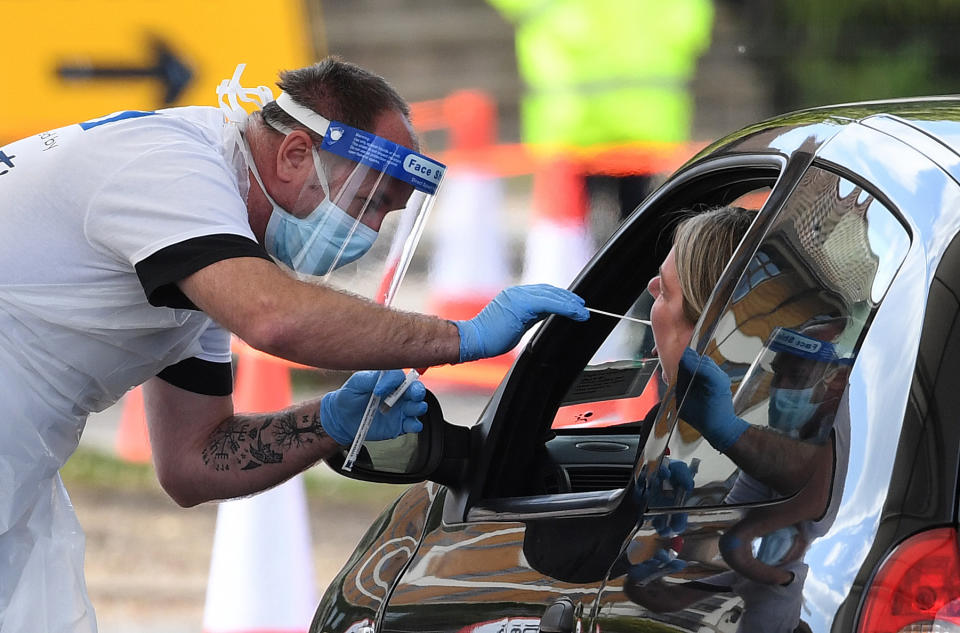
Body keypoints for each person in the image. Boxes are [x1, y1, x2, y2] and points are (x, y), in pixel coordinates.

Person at [0, 57, 589, 632]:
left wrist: (329, 421)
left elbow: (191, 463)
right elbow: (274, 316)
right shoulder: (172, 170)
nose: (368, 233)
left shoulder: (205, 251)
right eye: (368, 204)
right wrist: (460, 338)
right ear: (295, 154)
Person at [623, 206, 852, 632]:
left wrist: (729, 434)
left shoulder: (818, 412)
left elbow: (815, 484)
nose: (651, 288)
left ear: (710, 329)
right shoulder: (750, 422)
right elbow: (730, 567)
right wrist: (649, 578)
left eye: (666, 293)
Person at [488, 0, 714, 231]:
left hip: (641, 113)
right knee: (576, 234)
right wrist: (551, 13)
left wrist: (685, 17)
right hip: (579, 117)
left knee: (637, 228)